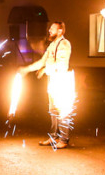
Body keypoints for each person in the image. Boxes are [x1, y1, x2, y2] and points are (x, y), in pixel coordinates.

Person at [20, 21, 74, 149]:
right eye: (49, 28)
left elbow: (62, 65)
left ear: (60, 31)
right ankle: (54, 137)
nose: (49, 30)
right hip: (53, 81)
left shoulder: (64, 44)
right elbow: (42, 62)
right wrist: (27, 69)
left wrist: (46, 69)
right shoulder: (51, 45)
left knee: (62, 110)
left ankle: (64, 139)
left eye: (52, 28)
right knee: (53, 110)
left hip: (62, 81)